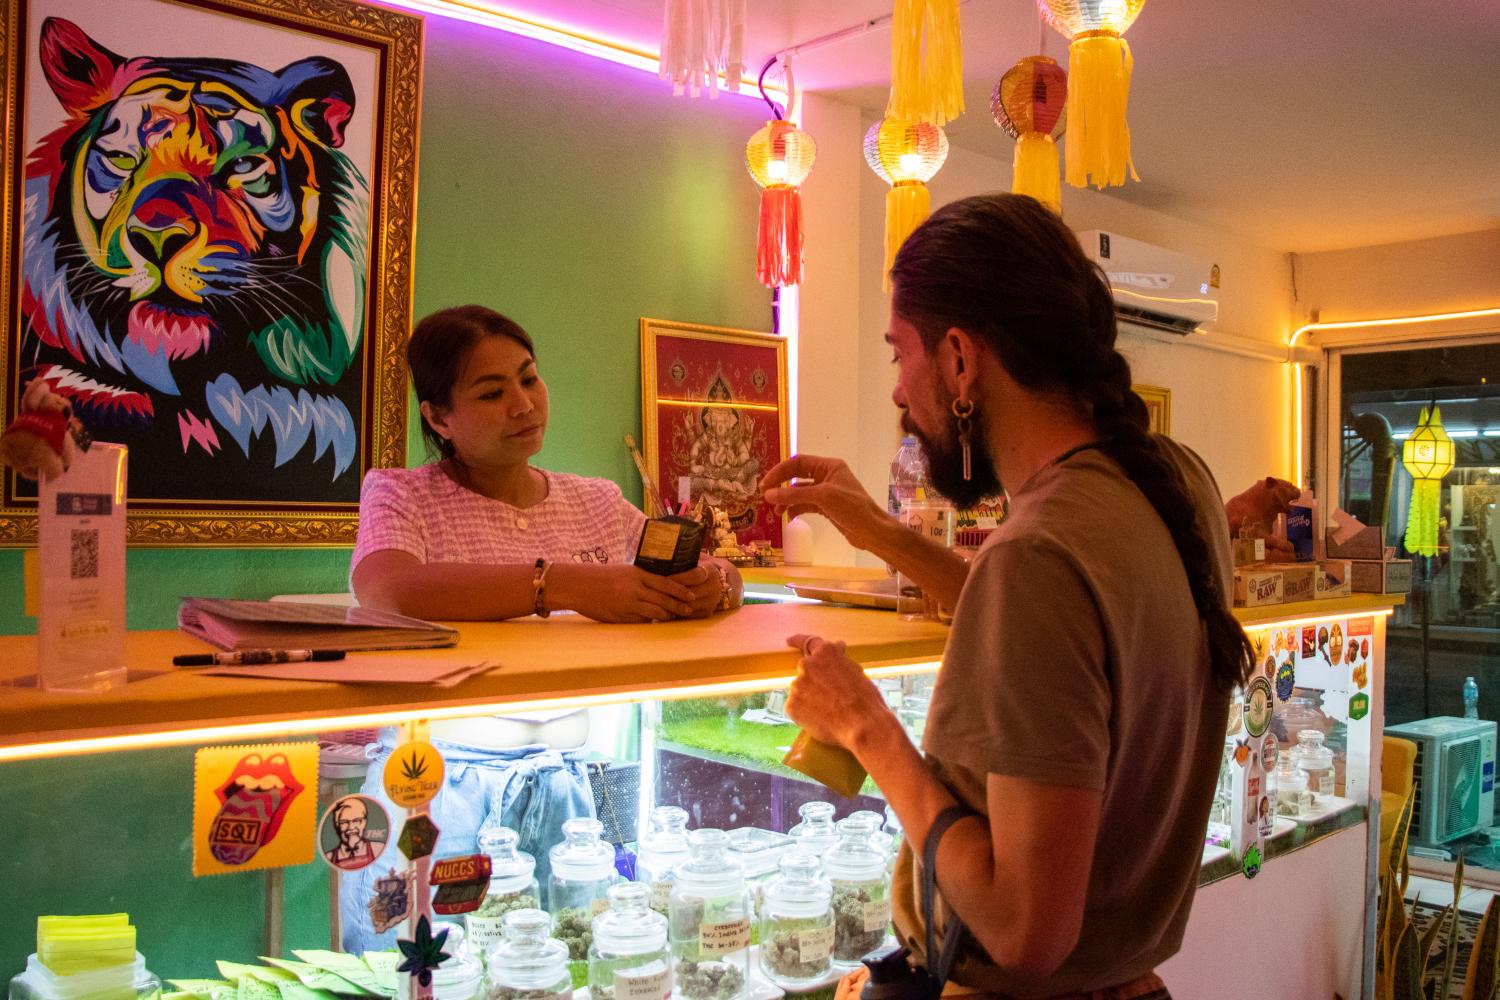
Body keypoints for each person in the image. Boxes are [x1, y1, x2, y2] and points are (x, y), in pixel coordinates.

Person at [760, 194, 1251, 999]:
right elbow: (1054, 631)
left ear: (959, 359)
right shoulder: (1178, 482)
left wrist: (868, 729)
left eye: (897, 355)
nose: (896, 393)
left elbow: (1025, 931)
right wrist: (878, 531)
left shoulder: (1040, 555)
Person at [352, 304, 742, 620]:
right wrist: (562, 585)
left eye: (529, 379)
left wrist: (713, 584)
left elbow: (722, 574)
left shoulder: (597, 501)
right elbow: (388, 591)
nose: (523, 406)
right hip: (450, 715)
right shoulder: (401, 495)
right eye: (491, 394)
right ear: (439, 418)